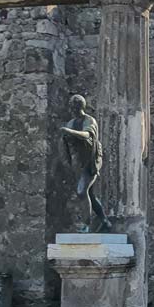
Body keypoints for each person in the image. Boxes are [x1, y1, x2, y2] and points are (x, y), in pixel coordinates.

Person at [61, 94, 109, 233]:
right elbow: (65, 144)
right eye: (70, 106)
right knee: (90, 195)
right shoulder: (71, 123)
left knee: (81, 192)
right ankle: (104, 220)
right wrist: (67, 161)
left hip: (91, 162)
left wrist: (69, 131)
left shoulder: (89, 120)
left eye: (73, 106)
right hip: (78, 163)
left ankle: (86, 224)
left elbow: (87, 135)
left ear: (79, 107)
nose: (71, 109)